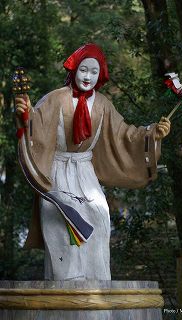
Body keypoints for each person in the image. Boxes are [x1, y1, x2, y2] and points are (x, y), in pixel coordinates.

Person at [15, 43, 171, 281]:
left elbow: (124, 134)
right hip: (57, 169)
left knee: (98, 214)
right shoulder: (55, 98)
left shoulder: (103, 104)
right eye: (83, 69)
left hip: (85, 172)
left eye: (93, 71)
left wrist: (152, 134)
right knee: (58, 214)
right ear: (74, 69)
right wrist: (25, 115)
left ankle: (97, 281)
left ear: (100, 75)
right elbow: (36, 124)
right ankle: (66, 282)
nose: (87, 76)